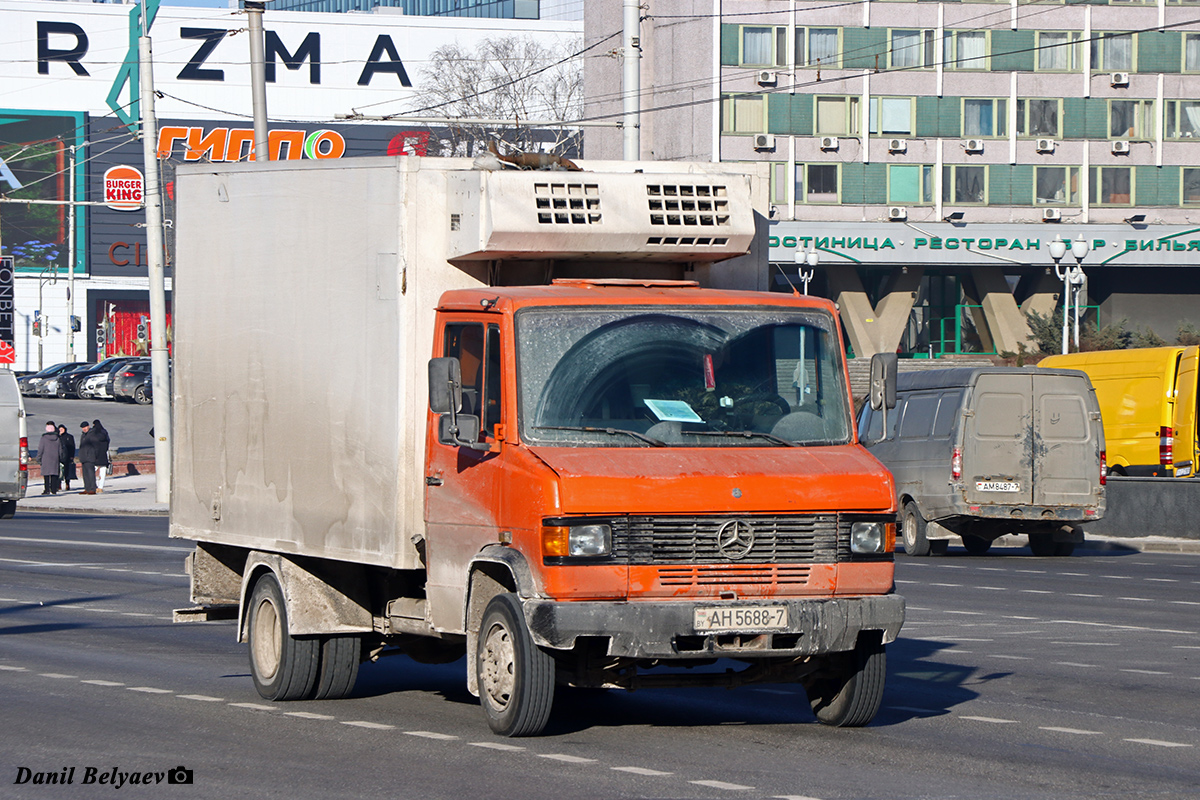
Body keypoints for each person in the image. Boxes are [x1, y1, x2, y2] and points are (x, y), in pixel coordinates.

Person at [37, 421, 62, 495]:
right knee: (54, 474)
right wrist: (60, 457)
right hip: (55, 458)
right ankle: (54, 489)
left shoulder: (44, 438)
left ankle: (47, 489)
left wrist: (39, 458)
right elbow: (60, 449)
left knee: (46, 475)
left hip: (46, 458)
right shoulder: (57, 438)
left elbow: (40, 449)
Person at [78, 421, 99, 495]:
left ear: (88, 426)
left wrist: (94, 455)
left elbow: (96, 446)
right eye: (83, 428)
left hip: (90, 457)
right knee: (85, 474)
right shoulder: (83, 435)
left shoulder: (92, 434)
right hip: (83, 457)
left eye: (85, 427)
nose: (84, 429)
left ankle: (93, 488)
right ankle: (87, 488)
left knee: (91, 473)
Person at [92, 419, 111, 493]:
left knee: (92, 470)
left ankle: (93, 485)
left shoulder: (93, 432)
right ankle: (100, 487)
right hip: (103, 454)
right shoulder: (104, 432)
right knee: (103, 471)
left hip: (95, 454)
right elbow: (108, 441)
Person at [57, 424, 77, 491]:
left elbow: (72, 447)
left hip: (67, 457)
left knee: (67, 472)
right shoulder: (57, 437)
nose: (61, 431)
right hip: (59, 457)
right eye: (59, 429)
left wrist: (72, 456)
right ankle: (58, 485)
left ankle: (67, 484)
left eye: (62, 429)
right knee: (59, 471)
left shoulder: (69, 437)